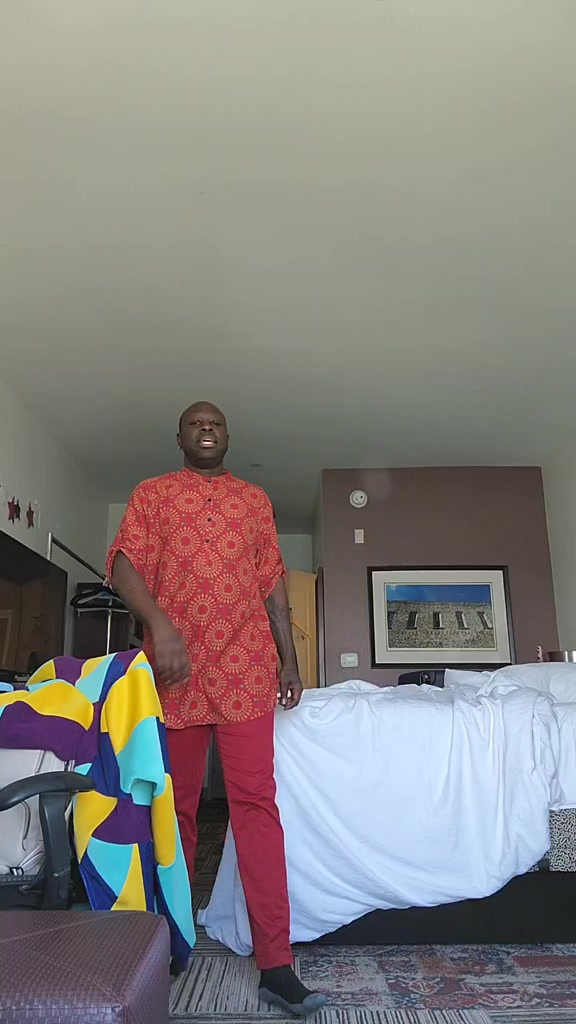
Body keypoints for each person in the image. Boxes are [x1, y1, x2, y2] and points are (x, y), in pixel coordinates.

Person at [107, 401, 327, 1017]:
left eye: (216, 422)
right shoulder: (152, 494)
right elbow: (123, 564)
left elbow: (272, 585)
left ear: (228, 436)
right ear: (178, 436)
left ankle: (276, 963)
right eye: (195, 422)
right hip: (174, 673)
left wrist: (288, 660)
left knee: (256, 806)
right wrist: (159, 626)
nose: (207, 427)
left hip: (245, 670)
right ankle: (169, 943)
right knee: (173, 809)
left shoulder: (254, 500)